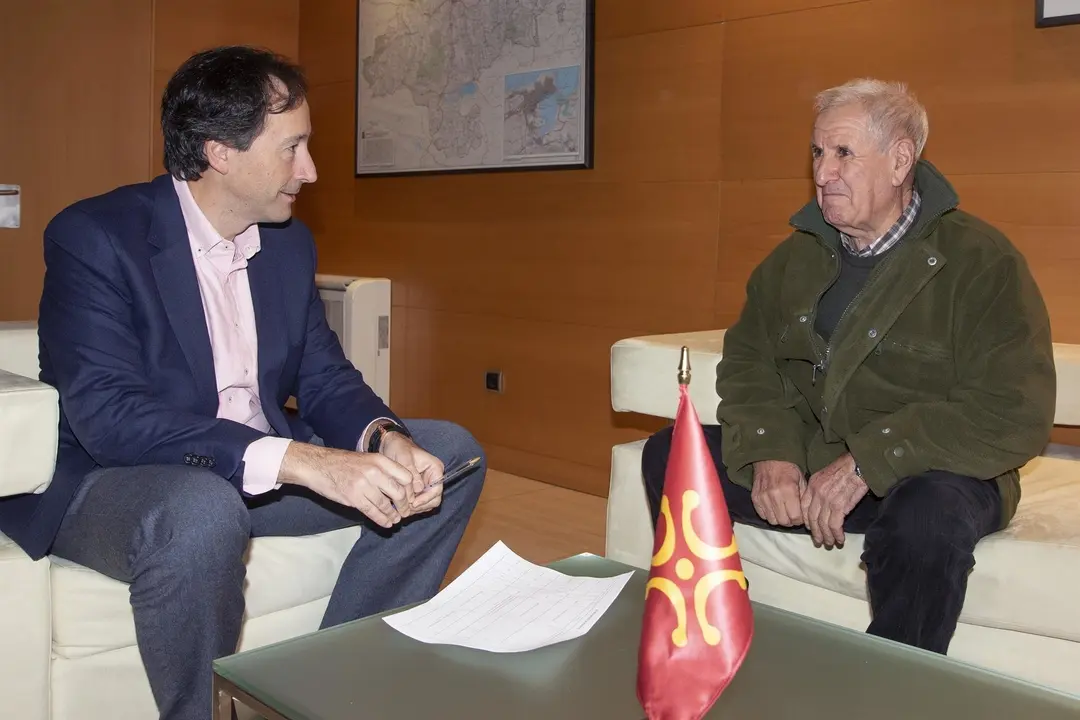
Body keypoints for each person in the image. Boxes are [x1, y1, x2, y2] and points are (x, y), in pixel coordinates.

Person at [0, 46, 486, 719]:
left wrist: (385, 439)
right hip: (117, 481)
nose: (310, 172)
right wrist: (300, 460)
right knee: (202, 509)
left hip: (251, 474)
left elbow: (323, 375)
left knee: (450, 454)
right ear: (219, 152)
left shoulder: (287, 244)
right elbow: (109, 416)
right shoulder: (98, 236)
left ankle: (327, 689)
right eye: (293, 149)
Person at [642, 78, 1055, 655]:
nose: (822, 173)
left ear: (900, 160)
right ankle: (700, 644)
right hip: (812, 466)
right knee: (671, 454)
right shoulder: (794, 259)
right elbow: (750, 364)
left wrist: (866, 462)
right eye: (816, 152)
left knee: (926, 518)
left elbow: (1014, 412)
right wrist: (770, 451)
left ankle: (890, 687)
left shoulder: (981, 264)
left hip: (934, 474)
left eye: (843, 154)